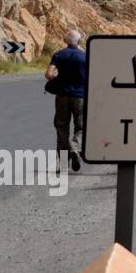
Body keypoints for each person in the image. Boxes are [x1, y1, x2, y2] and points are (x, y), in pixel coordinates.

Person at [46, 29, 87, 172]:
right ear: (79, 42)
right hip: (80, 96)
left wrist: (58, 80)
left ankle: (63, 164)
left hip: (62, 96)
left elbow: (49, 74)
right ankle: (75, 149)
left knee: (62, 127)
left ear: (65, 41)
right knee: (81, 127)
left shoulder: (59, 55)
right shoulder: (85, 56)